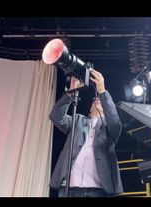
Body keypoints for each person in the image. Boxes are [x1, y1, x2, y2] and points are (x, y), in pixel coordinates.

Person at [49, 69, 123, 197]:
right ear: (89, 109)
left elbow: (115, 122)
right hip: (69, 188)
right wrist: (71, 92)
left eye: (100, 100)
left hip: (98, 190)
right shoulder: (78, 120)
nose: (97, 99)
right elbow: (56, 116)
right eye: (95, 99)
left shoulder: (109, 127)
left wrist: (102, 91)